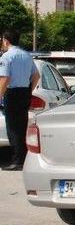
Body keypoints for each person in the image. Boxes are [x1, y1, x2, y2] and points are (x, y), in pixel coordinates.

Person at [0, 30, 40, 171]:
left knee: (12, 128)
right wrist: (28, 90)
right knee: (22, 127)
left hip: (12, 93)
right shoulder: (27, 55)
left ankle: (17, 161)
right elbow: (36, 75)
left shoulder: (6, 57)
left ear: (6, 40)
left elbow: (5, 78)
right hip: (24, 93)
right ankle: (22, 159)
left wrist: (0, 95)